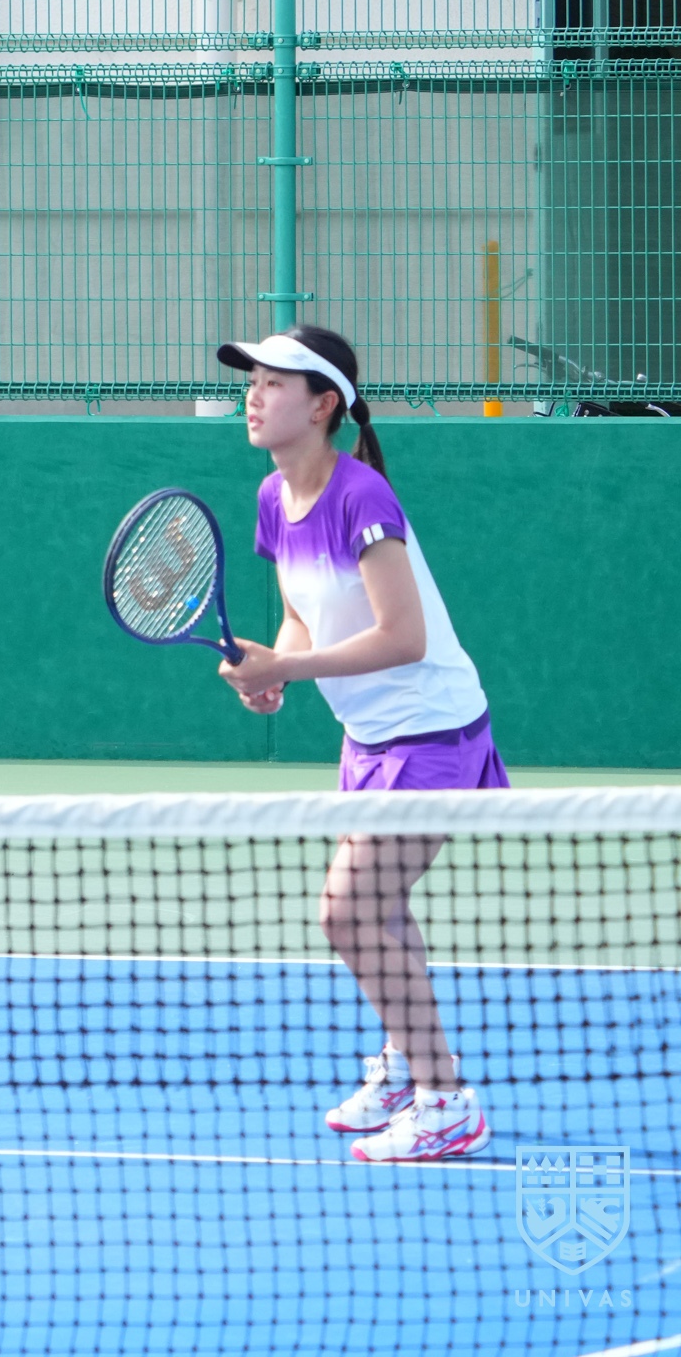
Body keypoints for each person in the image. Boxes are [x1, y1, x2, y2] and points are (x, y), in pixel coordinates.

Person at [212, 326, 498, 1163]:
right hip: (369, 736)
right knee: (380, 908)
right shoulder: (274, 496)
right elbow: (301, 615)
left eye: (273, 383)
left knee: (345, 912)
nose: (254, 396)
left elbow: (404, 637)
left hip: (433, 731)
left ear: (323, 405)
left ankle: (447, 1100)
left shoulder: (361, 496)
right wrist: (274, 669)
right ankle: (412, 1067)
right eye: (252, 381)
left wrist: (290, 667)